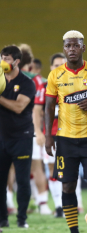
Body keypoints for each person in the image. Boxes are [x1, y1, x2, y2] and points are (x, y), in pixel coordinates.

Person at [45, 30, 87, 233]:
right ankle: (74, 231)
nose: (72, 49)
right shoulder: (55, 75)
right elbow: (48, 107)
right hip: (65, 139)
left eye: (76, 45)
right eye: (68, 46)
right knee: (67, 187)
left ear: (83, 47)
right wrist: (49, 136)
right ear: (64, 49)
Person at [0, 45, 35, 229]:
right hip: (1, 137)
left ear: (16, 61)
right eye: (2, 58)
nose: (3, 62)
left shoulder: (27, 83)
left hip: (22, 137)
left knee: (22, 181)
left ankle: (22, 219)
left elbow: (18, 107)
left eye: (7, 59)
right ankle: (2, 219)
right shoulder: (0, 81)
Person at [42, 53, 80, 218]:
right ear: (50, 68)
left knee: (70, 169)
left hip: (69, 133)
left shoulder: (73, 84)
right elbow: (38, 112)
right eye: (55, 64)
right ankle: (59, 206)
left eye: (61, 64)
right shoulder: (44, 87)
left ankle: (72, 204)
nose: (58, 67)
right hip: (51, 133)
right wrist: (41, 132)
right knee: (52, 169)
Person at [17, 44, 52, 215]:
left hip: (10, 129)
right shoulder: (39, 80)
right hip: (32, 129)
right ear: (30, 63)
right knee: (37, 167)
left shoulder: (7, 78)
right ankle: (43, 204)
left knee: (9, 168)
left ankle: (9, 203)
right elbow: (40, 109)